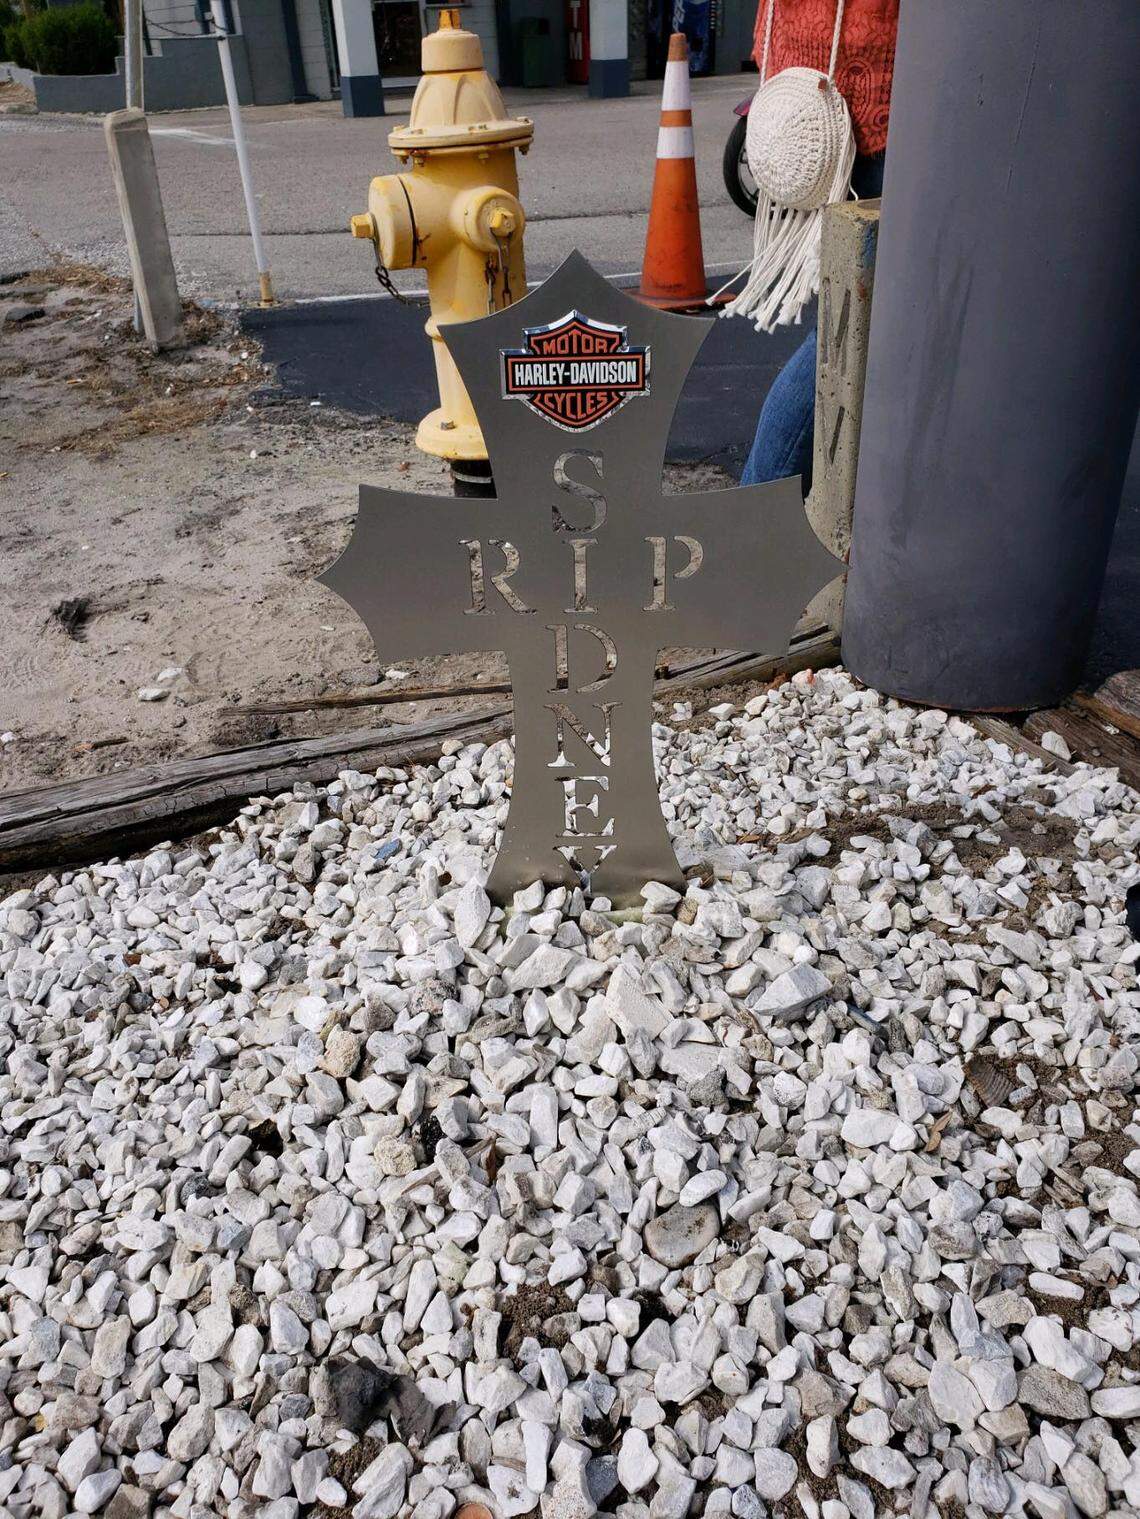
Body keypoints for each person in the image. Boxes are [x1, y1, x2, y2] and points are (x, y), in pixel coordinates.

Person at [740, 0, 899, 492]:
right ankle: (758, 505)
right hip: (866, 86)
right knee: (852, 325)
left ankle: (770, 508)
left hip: (807, 70)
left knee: (850, 324)